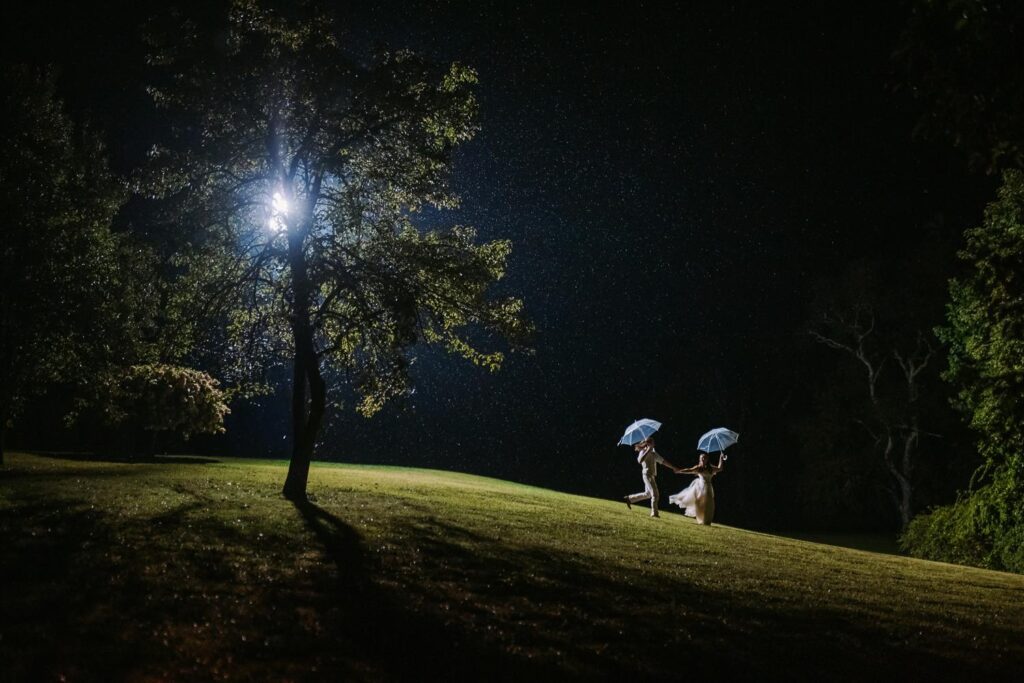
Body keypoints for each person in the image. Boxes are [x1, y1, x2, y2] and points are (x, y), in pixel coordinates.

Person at [624, 437, 681, 518]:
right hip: (647, 474)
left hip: (651, 475)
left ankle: (629, 499)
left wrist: (673, 468)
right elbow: (640, 461)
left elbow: (663, 461)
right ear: (649, 443)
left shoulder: (654, 454)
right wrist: (648, 450)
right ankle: (654, 513)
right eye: (652, 442)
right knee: (655, 494)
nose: (654, 444)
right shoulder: (643, 451)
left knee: (648, 494)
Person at [669, 451, 725, 525]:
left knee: (709, 504)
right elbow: (689, 470)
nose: (702, 459)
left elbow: (720, 468)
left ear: (707, 459)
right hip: (701, 488)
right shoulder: (699, 468)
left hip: (708, 487)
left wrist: (721, 458)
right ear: (699, 459)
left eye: (704, 458)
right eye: (701, 458)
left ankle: (707, 521)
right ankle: (702, 519)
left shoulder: (711, 468)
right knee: (700, 503)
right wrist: (680, 471)